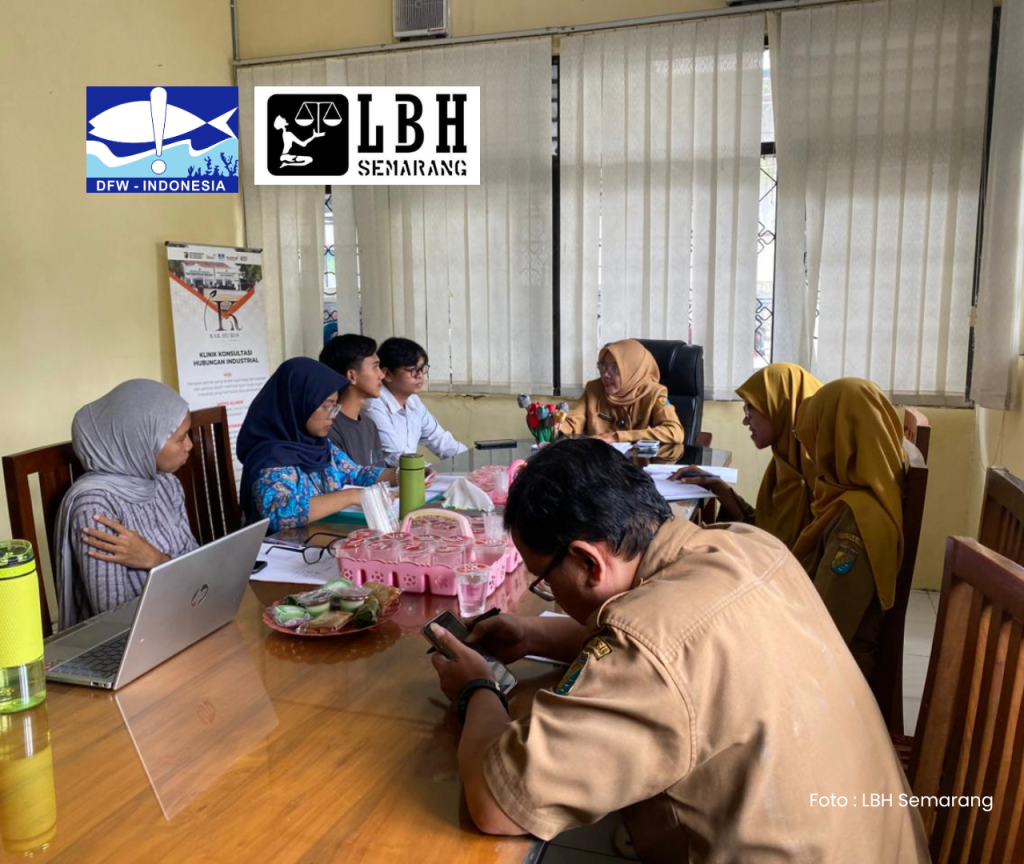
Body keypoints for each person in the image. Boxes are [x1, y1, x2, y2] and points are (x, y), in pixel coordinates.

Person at [429, 439, 928, 863]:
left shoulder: (649, 652)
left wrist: (477, 689)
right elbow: (690, 648)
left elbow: (499, 803)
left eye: (544, 581)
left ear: (587, 561)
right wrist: (534, 634)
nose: (550, 595)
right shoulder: (748, 544)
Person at [53, 380, 197, 630]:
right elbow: (113, 617)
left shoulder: (167, 484)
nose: (189, 445)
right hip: (134, 636)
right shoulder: (95, 506)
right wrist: (172, 569)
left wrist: (157, 560)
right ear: (141, 440)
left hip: (181, 617)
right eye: (181, 438)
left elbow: (197, 568)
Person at [791, 378, 906, 677]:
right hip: (822, 653)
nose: (810, 454)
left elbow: (826, 627)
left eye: (815, 438)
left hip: (833, 678)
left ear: (836, 442)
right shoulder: (850, 497)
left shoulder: (858, 524)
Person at [670, 363, 822, 549]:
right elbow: (764, 529)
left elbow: (777, 548)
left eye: (750, 408)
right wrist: (718, 487)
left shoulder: (818, 478)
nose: (744, 420)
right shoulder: (784, 462)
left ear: (780, 407)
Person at [237, 357, 396, 532]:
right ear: (298, 403)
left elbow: (356, 473)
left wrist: (400, 474)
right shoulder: (270, 457)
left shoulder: (320, 446)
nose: (333, 415)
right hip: (283, 546)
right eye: (326, 406)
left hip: (319, 538)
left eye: (335, 406)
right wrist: (351, 496)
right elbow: (279, 513)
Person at [363, 337, 467, 466]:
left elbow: (439, 439)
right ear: (387, 374)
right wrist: (429, 471)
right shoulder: (373, 406)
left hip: (410, 473)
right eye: (413, 370)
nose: (420, 375)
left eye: (422, 368)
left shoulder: (413, 401)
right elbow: (396, 455)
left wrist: (471, 462)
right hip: (388, 477)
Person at [557, 340, 684, 445]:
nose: (605, 375)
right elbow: (572, 422)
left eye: (614, 368)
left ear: (633, 371)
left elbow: (674, 432)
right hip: (600, 462)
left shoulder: (654, 393)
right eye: (602, 367)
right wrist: (554, 426)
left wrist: (617, 437)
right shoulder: (594, 389)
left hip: (640, 464)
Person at [319, 333, 385, 466]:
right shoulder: (328, 427)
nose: (381, 375)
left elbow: (380, 473)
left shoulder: (369, 426)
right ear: (351, 376)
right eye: (375, 367)